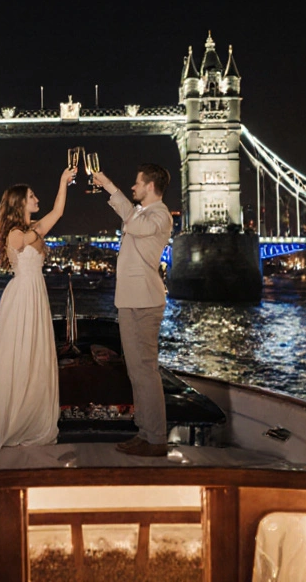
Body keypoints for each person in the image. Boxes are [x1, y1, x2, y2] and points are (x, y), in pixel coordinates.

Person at [0, 165, 78, 451]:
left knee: (35, 356)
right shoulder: (15, 234)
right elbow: (40, 229)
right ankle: (13, 420)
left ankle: (30, 413)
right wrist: (38, 229)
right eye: (31, 196)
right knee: (19, 356)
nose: (35, 198)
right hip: (22, 296)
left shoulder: (29, 228)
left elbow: (57, 213)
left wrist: (63, 180)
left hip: (36, 294)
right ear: (20, 203)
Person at [91, 163, 173, 457]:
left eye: (137, 183)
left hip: (144, 302)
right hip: (130, 301)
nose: (133, 187)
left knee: (146, 371)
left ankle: (157, 439)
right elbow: (132, 220)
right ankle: (145, 432)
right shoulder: (142, 214)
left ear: (151, 186)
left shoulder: (160, 215)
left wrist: (110, 186)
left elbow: (135, 225)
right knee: (136, 372)